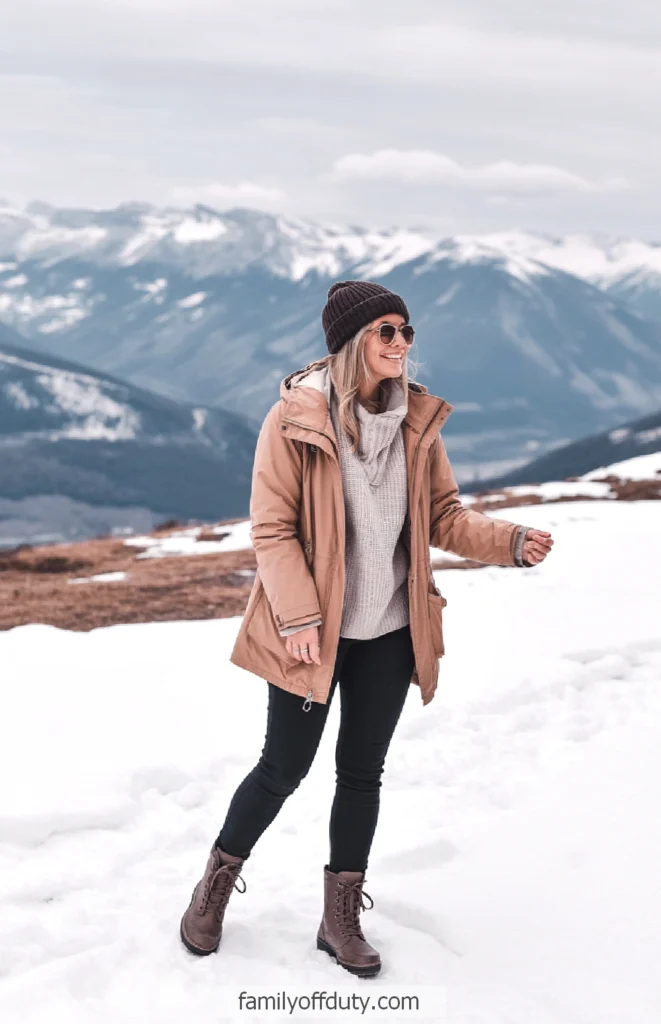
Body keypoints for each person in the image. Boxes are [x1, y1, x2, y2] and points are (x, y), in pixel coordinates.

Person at [180, 280, 553, 976]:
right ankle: (213, 888)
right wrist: (297, 618)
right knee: (281, 771)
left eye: (406, 330)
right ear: (353, 341)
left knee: (361, 775)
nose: (401, 343)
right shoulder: (294, 418)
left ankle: (338, 916)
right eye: (385, 330)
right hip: (309, 634)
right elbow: (272, 528)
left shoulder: (416, 420)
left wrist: (507, 540)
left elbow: (442, 516)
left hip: (387, 629)